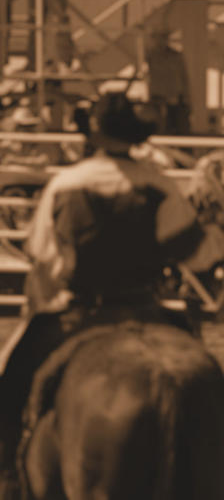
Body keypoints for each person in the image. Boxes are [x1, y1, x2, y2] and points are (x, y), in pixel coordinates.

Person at [0, 93, 207, 497]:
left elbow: (42, 255)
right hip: (146, 309)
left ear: (90, 132)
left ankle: (8, 475)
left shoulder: (66, 184)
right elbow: (195, 254)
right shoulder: (159, 184)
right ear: (136, 135)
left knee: (11, 384)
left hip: (79, 313)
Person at [146, 26, 191, 135]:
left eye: (164, 37)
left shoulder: (176, 56)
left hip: (176, 100)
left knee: (181, 131)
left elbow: (183, 77)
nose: (161, 40)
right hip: (157, 100)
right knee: (159, 129)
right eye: (158, 37)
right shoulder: (150, 56)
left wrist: (186, 97)